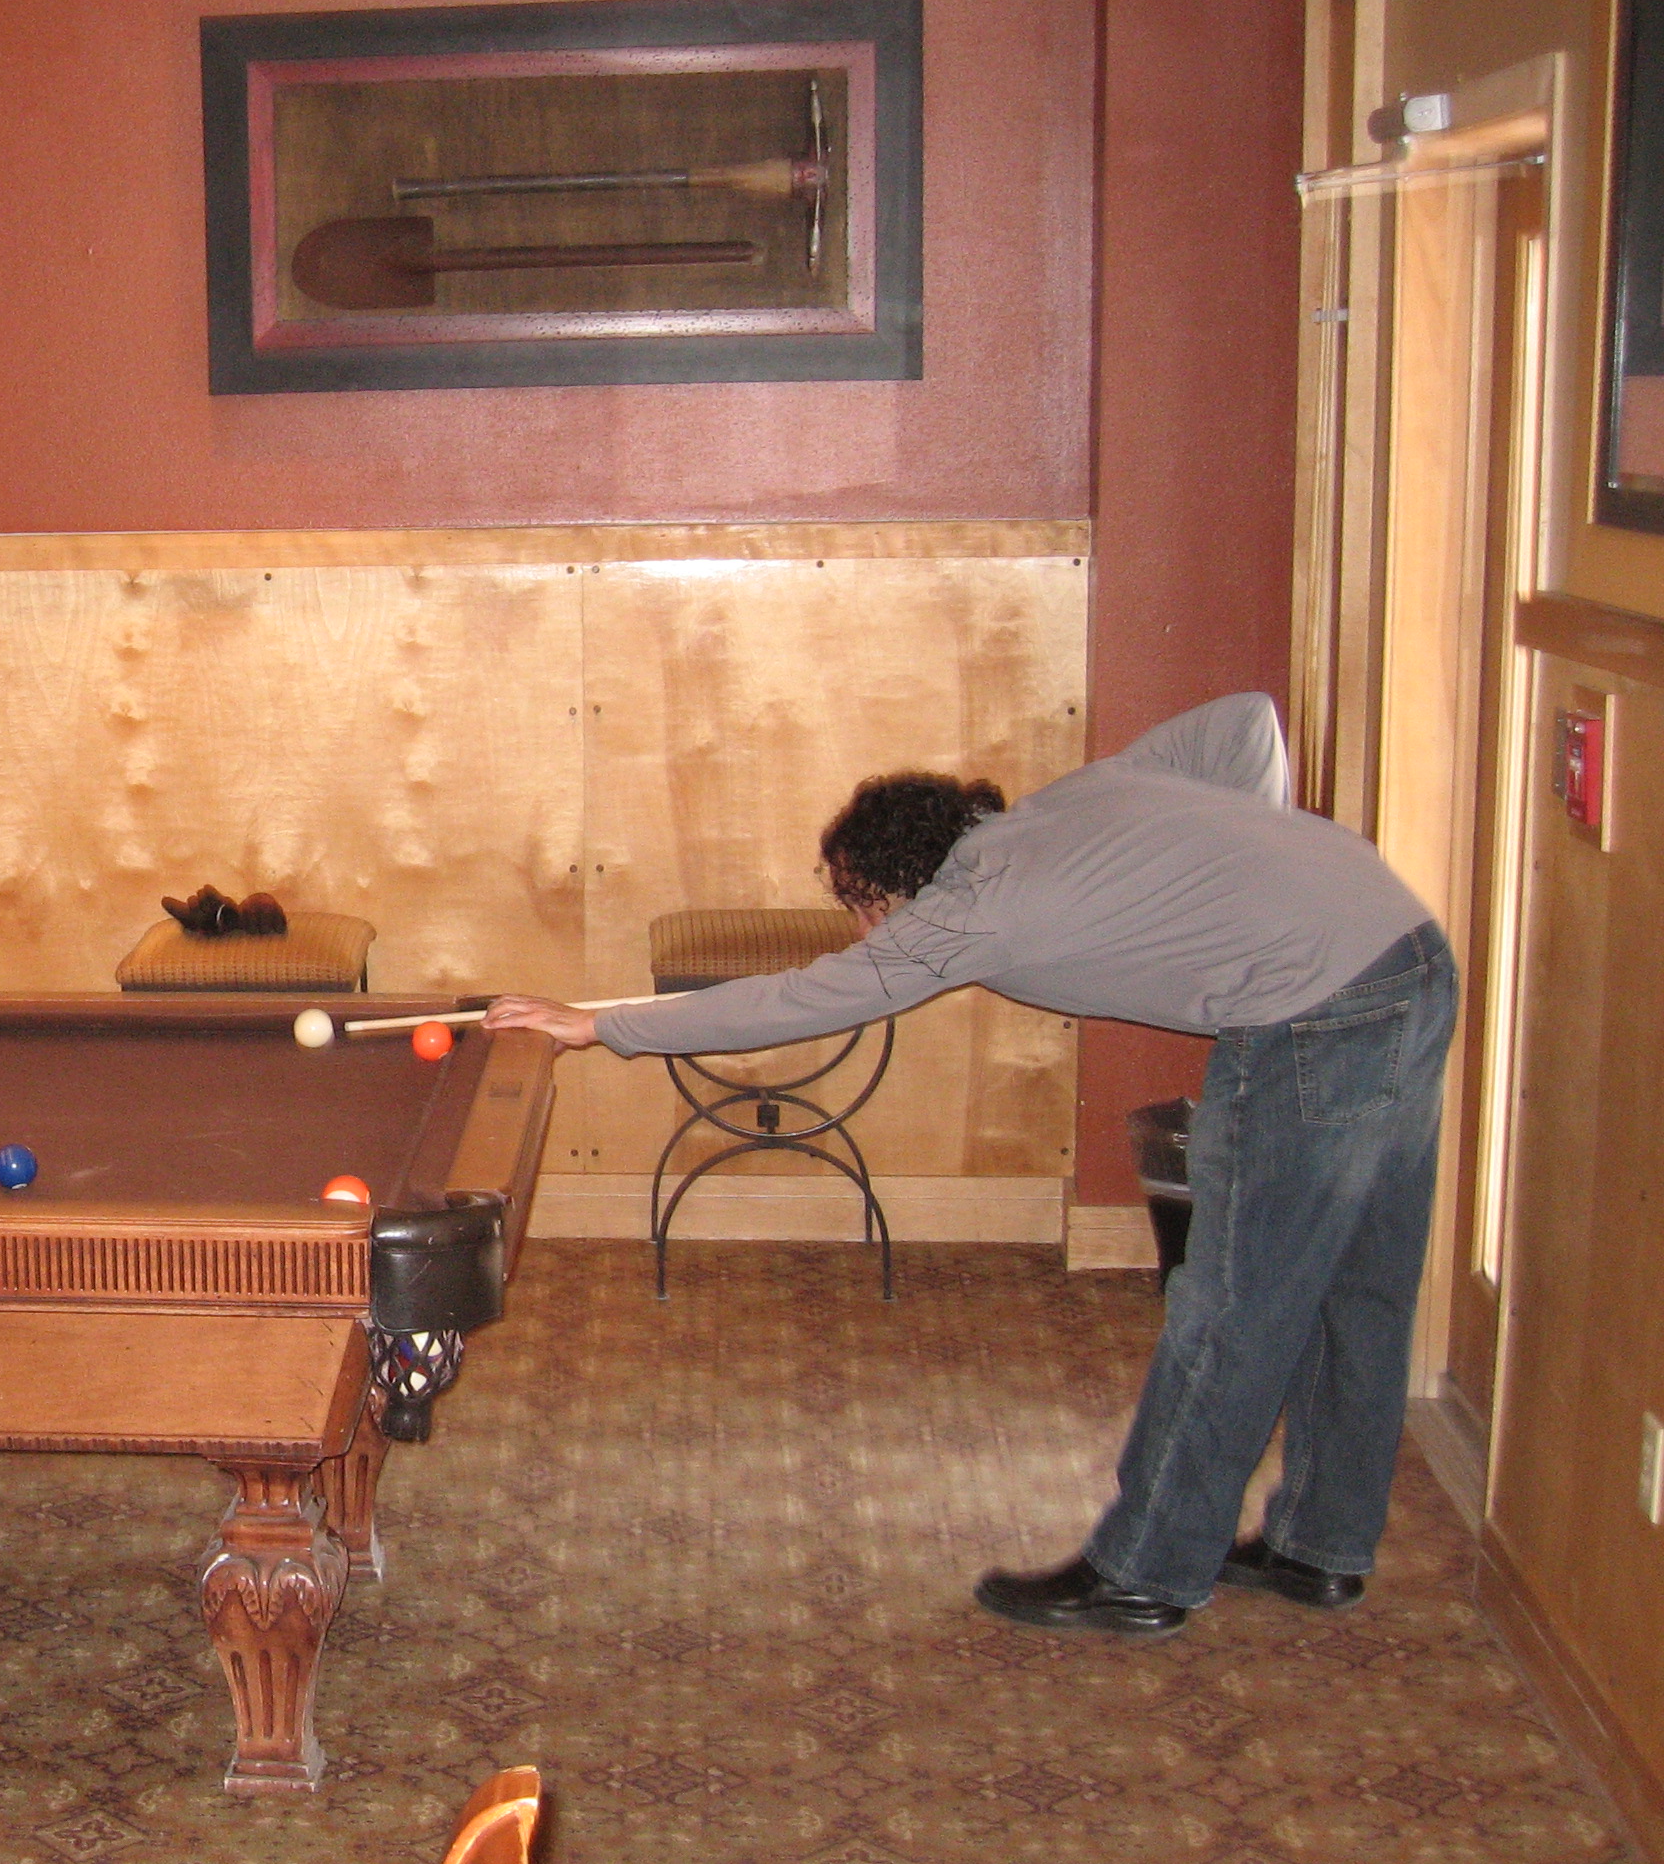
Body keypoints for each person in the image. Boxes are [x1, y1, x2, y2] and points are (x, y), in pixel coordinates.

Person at [485, 693, 1455, 1636]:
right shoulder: (1067, 803)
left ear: (893, 888)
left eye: (859, 908)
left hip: (1314, 1013)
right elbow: (1242, 723)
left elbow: (798, 1000)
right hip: (1405, 949)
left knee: (1233, 1303)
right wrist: (1242, 884)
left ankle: (1144, 1572)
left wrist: (599, 1026)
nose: (864, 934)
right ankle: (1320, 1545)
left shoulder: (967, 914)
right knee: (1360, 1282)